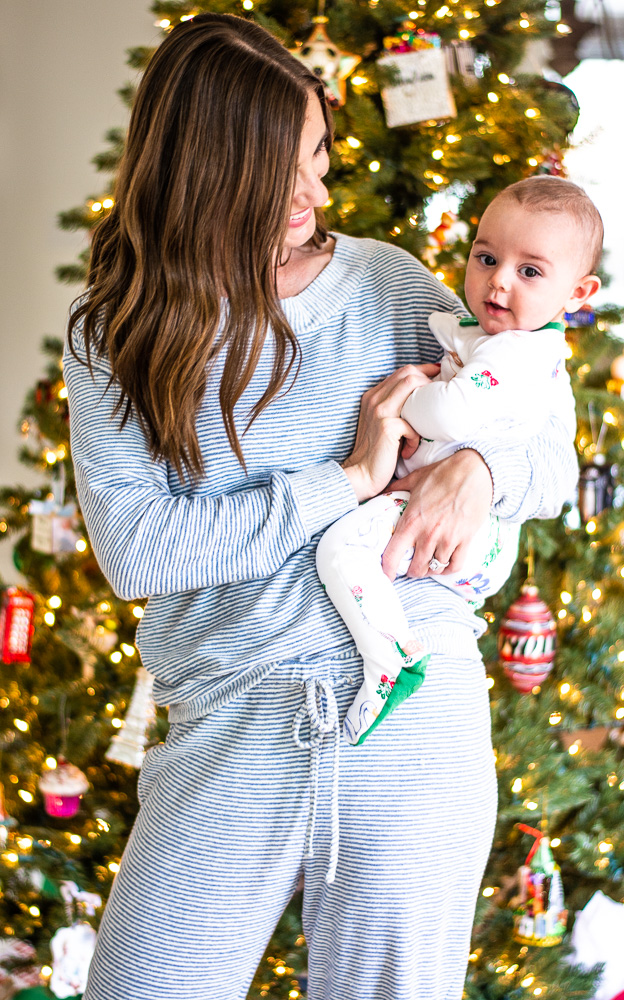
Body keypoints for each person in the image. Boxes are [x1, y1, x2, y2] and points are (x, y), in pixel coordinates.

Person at [63, 13, 578, 1000]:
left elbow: (545, 446)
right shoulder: (118, 330)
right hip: (232, 717)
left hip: (415, 708)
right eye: (280, 172)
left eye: (319, 157)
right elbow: (141, 551)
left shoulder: (385, 284)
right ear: (207, 170)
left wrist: (482, 474)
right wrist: (345, 479)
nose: (315, 194)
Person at [317, 176, 602, 747]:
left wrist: (400, 402)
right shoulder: (493, 335)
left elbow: (447, 415)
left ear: (577, 294)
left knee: (341, 550)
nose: (497, 281)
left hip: (477, 532)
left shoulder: (519, 353)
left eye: (530, 271)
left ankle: (393, 658)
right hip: (454, 523)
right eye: (487, 257)